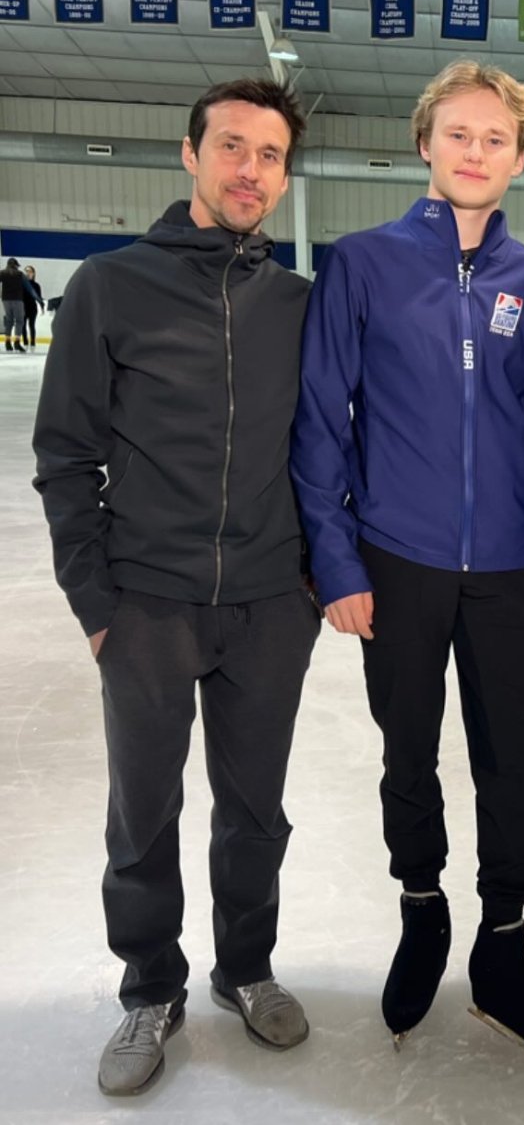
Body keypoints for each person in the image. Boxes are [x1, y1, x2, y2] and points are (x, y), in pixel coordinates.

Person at [32, 78, 320, 1097]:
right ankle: (151, 985)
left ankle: (246, 966)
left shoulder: (298, 304)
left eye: (271, 155)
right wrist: (96, 604)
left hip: (268, 605)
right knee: (143, 814)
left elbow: (333, 446)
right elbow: (65, 456)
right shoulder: (112, 288)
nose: (251, 169)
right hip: (148, 603)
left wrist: (308, 583)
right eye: (232, 146)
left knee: (255, 810)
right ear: (190, 154)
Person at [290, 61, 524, 1068]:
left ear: (520, 158)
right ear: (425, 143)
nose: (475, 151)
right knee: (407, 751)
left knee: (515, 764)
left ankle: (504, 938)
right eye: (459, 133)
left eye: (496, 138)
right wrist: (337, 560)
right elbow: (321, 420)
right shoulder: (362, 264)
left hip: (505, 571)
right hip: (397, 559)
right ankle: (422, 907)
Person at [2, 256, 31, 351]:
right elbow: (29, 287)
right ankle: (17, 342)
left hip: (6, 300)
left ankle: (7, 343)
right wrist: (39, 299)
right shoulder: (20, 274)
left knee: (9, 320)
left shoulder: (2, 273)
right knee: (19, 320)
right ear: (16, 265)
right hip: (17, 300)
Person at [22, 264, 44, 348]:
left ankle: (32, 342)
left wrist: (42, 307)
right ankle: (25, 342)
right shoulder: (21, 284)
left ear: (33, 273)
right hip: (23, 307)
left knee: (31, 325)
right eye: (26, 271)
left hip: (32, 308)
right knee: (23, 325)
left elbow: (39, 297)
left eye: (30, 271)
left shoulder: (36, 285)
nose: (28, 273)